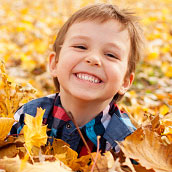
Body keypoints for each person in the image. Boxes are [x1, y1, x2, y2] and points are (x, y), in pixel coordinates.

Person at [11, 3, 144, 157]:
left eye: (111, 55)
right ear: (55, 63)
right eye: (81, 47)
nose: (93, 59)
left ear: (125, 81)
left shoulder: (127, 142)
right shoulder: (29, 116)